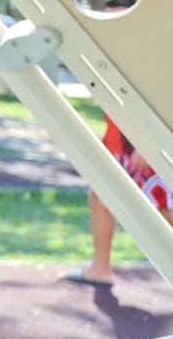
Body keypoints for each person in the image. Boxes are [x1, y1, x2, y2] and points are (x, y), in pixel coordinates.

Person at [66, 115, 173, 287]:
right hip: (124, 138)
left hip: (144, 138)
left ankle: (100, 269)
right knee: (102, 197)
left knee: (162, 209)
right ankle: (100, 269)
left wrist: (149, 143)